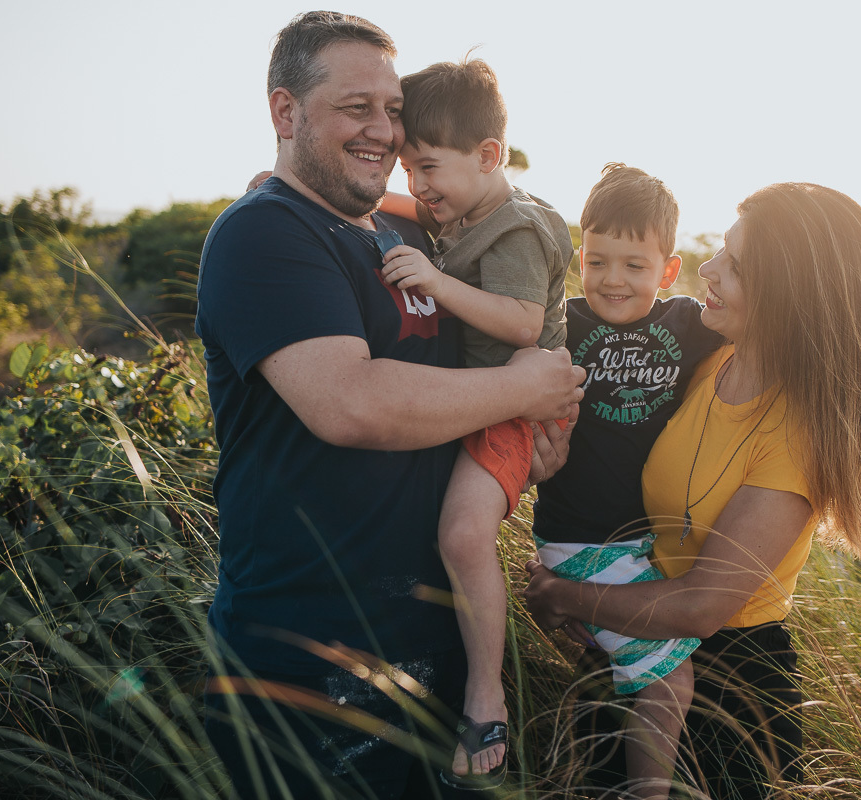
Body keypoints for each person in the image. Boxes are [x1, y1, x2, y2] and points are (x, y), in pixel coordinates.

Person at [194, 12, 584, 799]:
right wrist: (527, 388)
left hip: (434, 644)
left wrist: (532, 444)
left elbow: (479, 233)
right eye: (355, 108)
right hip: (309, 660)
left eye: (392, 109)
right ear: (285, 112)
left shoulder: (397, 234)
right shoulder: (264, 233)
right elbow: (353, 404)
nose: (383, 130)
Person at [525, 182, 861, 799]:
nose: (709, 269)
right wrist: (545, 463)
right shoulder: (706, 359)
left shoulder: (797, 433)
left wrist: (563, 594)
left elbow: (702, 605)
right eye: (722, 250)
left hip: (728, 696)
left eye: (737, 266)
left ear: (791, 295)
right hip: (631, 641)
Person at [371, 57, 573, 788]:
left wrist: (436, 281)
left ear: (489, 156)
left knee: (461, 534)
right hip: (484, 399)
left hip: (515, 406)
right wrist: (290, 184)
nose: (418, 184)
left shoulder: (515, 229)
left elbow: (522, 324)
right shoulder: (465, 205)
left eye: (427, 167)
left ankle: (486, 696)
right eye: (408, 167)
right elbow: (406, 207)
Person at [530, 163, 724, 799]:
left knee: (615, 683)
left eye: (634, 265)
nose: (612, 279)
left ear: (668, 271)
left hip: (639, 545)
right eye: (597, 261)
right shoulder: (561, 323)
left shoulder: (686, 323)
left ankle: (575, 774)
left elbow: (768, 317)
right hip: (582, 538)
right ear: (579, 258)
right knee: (670, 681)